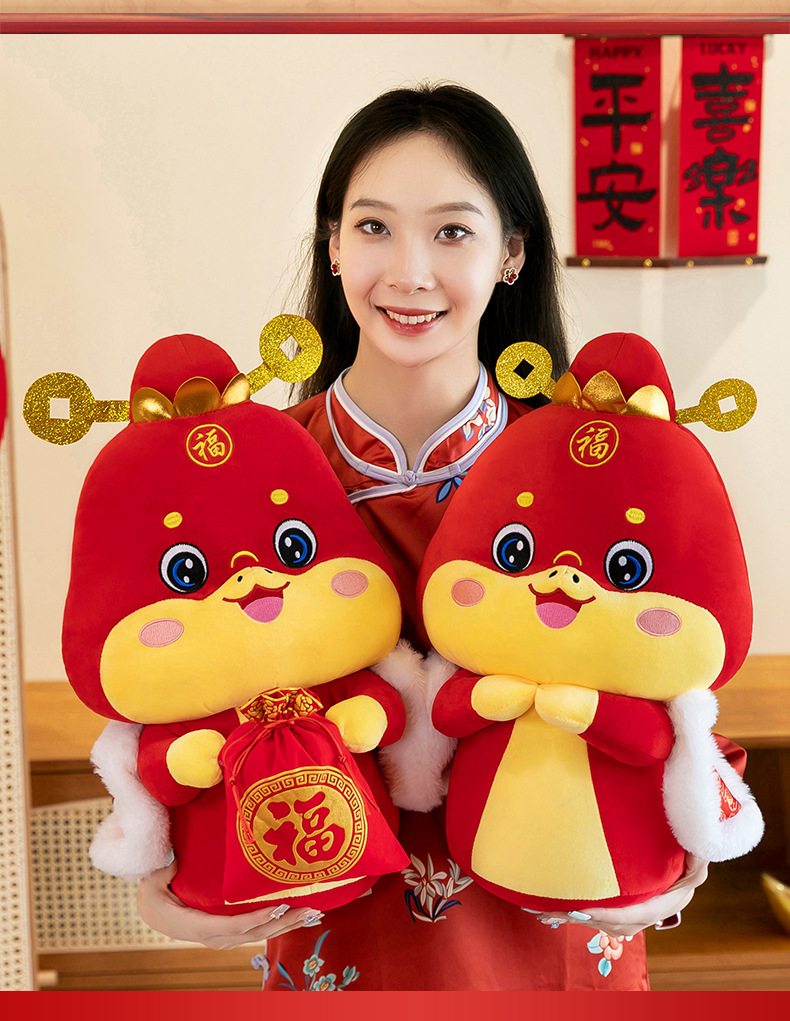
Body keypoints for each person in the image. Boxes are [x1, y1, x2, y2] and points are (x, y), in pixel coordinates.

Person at [137, 83, 708, 990]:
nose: (409, 272)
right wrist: (154, 879)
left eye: (451, 231)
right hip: (327, 916)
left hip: (560, 925)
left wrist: (687, 858)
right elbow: (163, 686)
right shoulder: (246, 470)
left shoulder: (595, 465)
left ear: (511, 253)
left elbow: (674, 679)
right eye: (374, 227)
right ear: (331, 245)